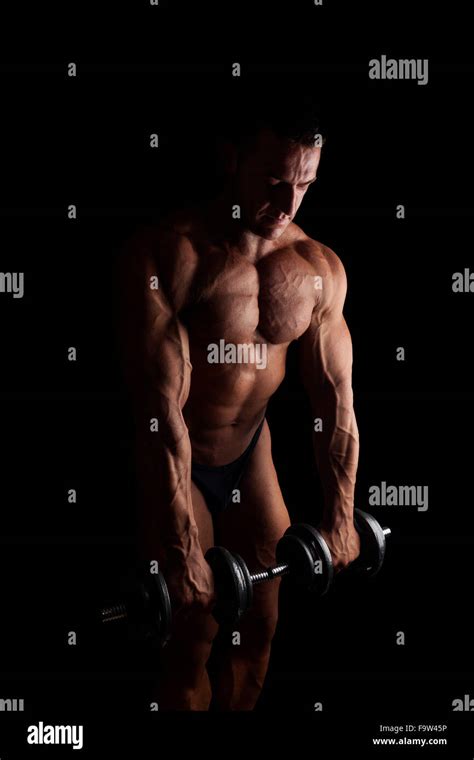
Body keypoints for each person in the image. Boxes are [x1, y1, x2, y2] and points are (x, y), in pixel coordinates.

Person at [116, 82, 361, 710]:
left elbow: (336, 404)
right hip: (181, 459)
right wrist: (180, 544)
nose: (289, 201)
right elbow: (158, 413)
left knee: (263, 626)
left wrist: (339, 512)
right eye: (275, 180)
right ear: (232, 159)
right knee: (192, 631)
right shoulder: (172, 254)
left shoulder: (317, 268)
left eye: (305, 184)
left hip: (250, 454)